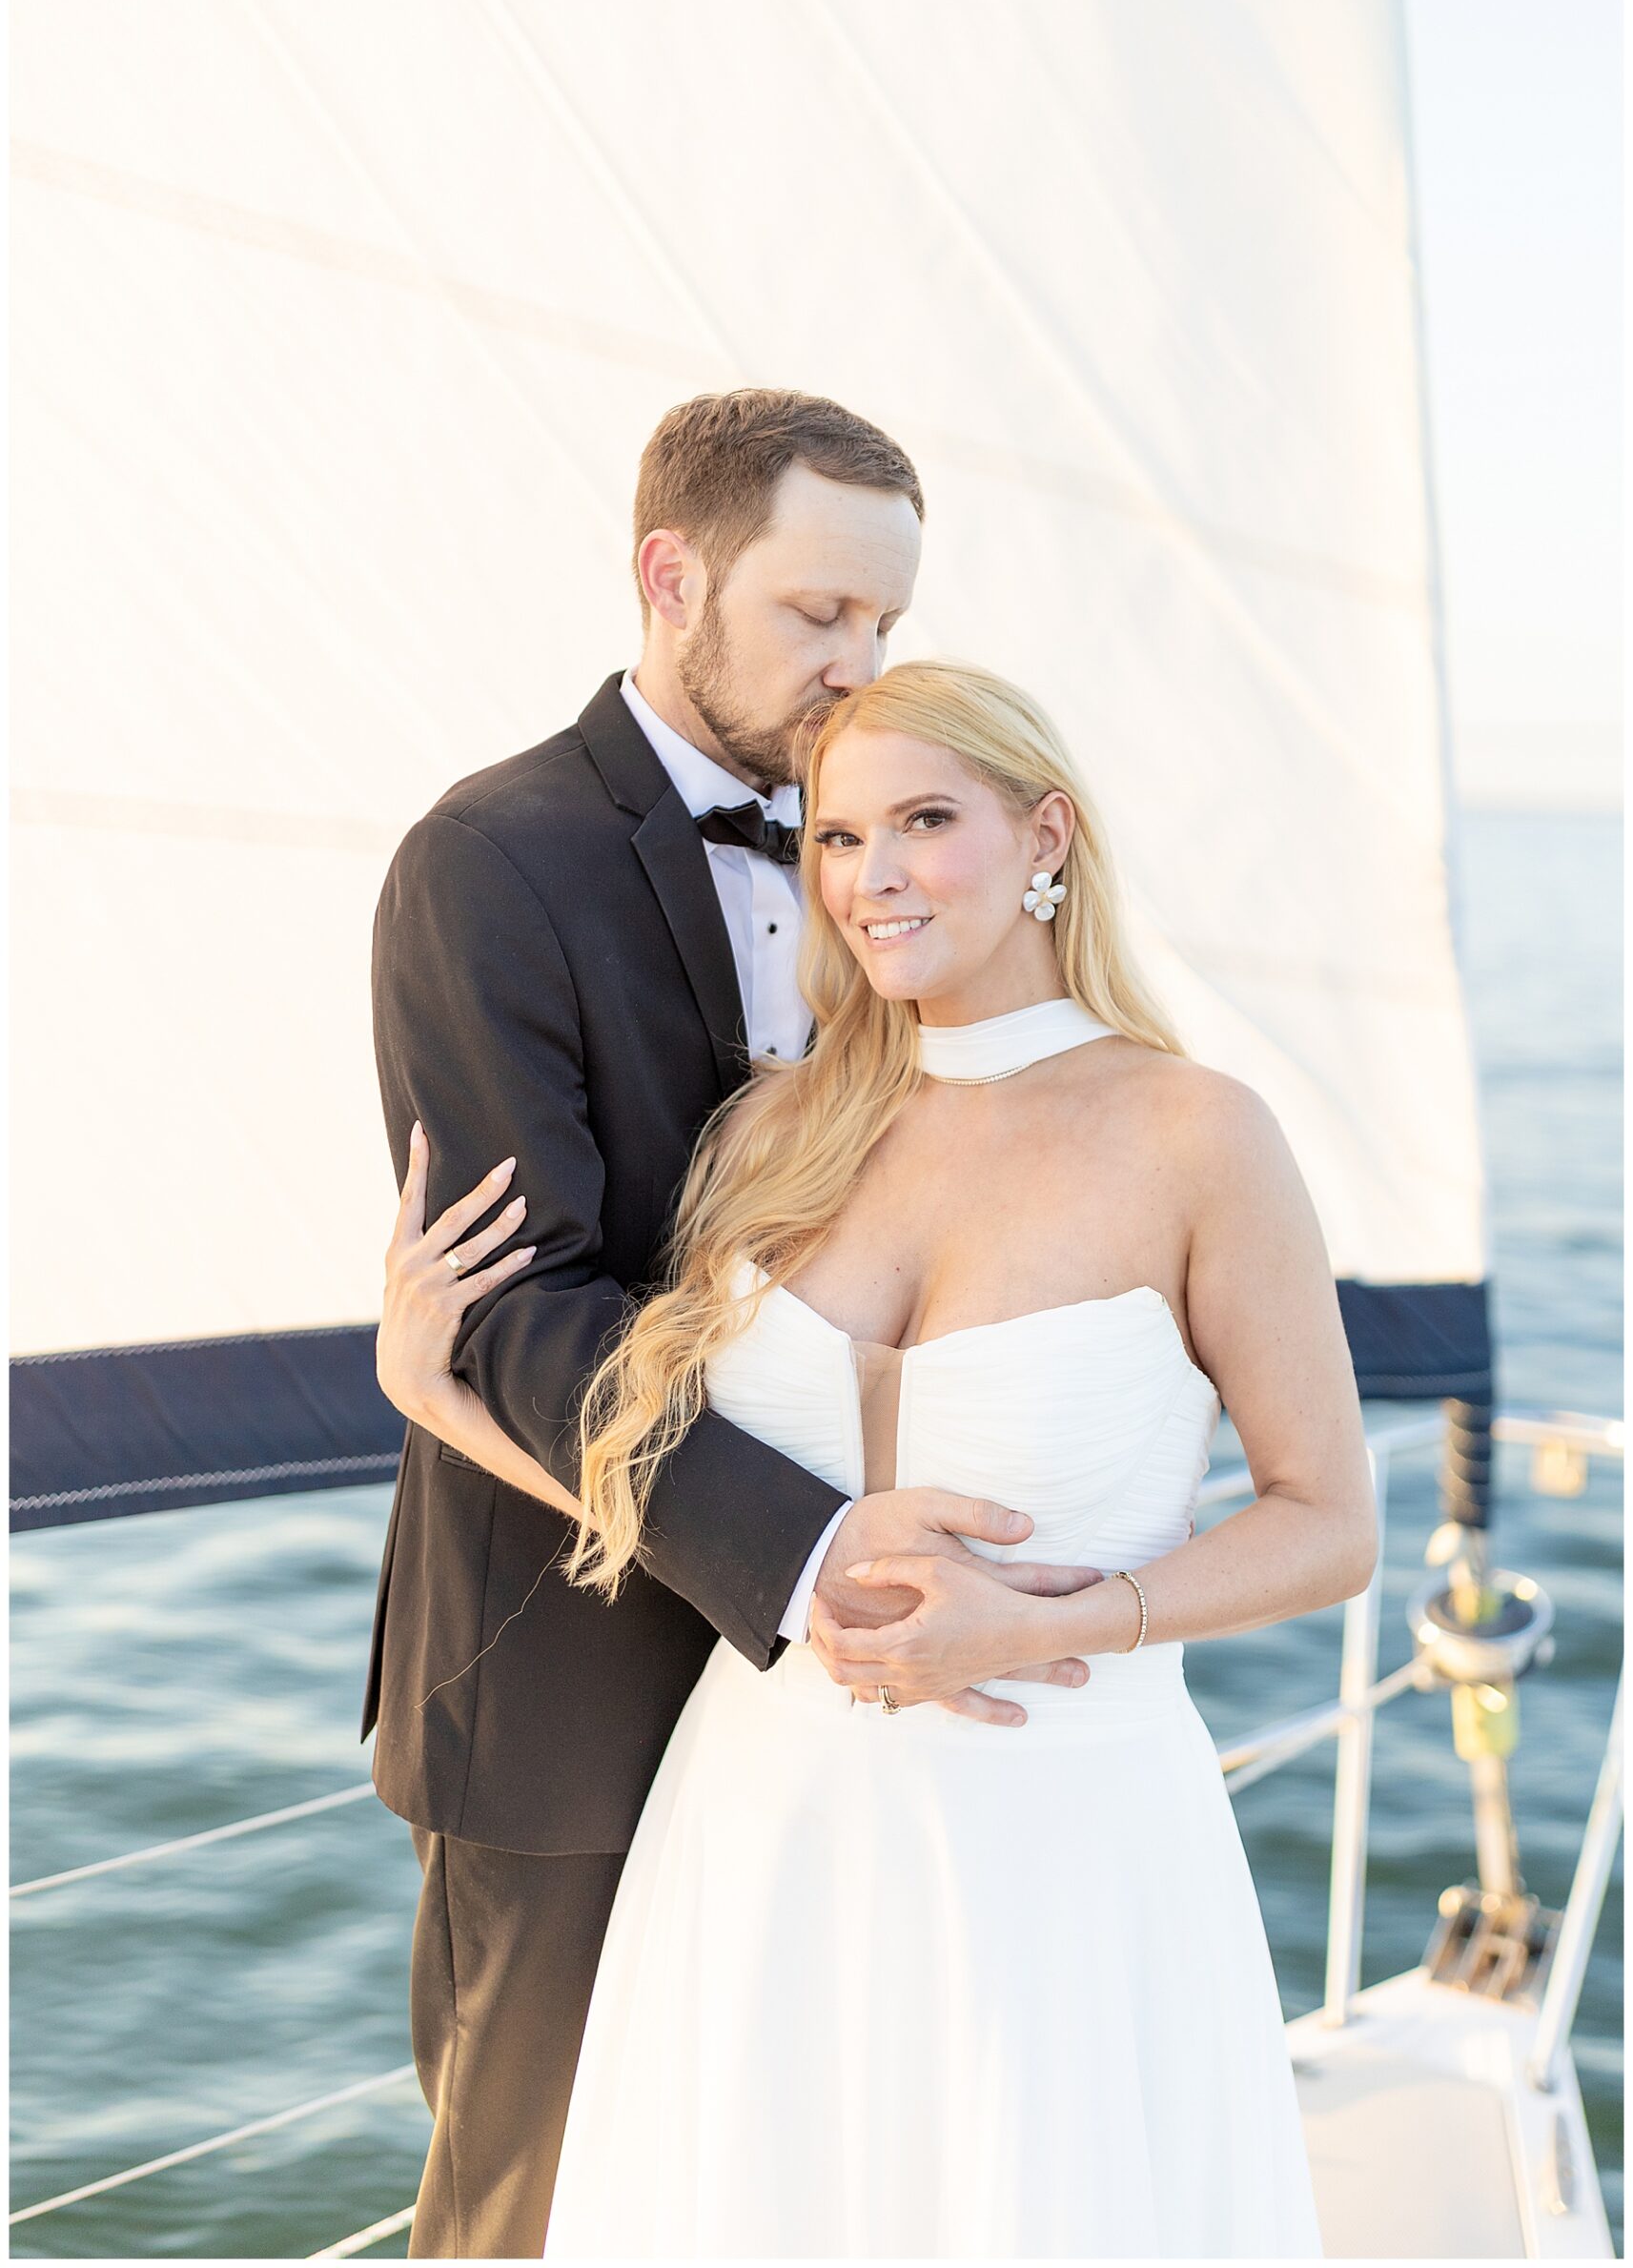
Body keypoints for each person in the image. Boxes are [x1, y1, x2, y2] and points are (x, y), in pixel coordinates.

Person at [378, 657, 1376, 2257]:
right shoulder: (777, 1132)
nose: (872, 878)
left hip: (1060, 1844)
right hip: (759, 1823)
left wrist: (1052, 1620)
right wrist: (434, 1399)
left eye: (925, 820)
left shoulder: (1200, 1134)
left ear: (1043, 834)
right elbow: (668, 1474)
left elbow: (1328, 1524)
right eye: (834, 838)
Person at [365, 390, 1112, 2259]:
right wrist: (816, 1546)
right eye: (817, 616)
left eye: (885, 620)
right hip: (565, 1676)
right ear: (669, 575)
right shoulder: (487, 859)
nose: (859, 661)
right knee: (528, 2211)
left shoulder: (889, 848)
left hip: (853, 1710)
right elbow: (520, 1309)